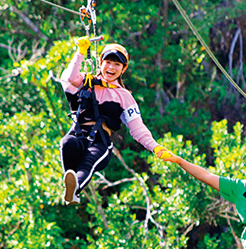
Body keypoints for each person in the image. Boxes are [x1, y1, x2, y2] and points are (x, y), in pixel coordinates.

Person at [58, 37, 174, 203]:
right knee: (67, 143)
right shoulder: (86, 81)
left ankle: (74, 188)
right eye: (108, 62)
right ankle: (70, 184)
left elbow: (138, 129)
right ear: (101, 63)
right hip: (78, 133)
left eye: (117, 64)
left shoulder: (124, 97)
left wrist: (155, 148)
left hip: (100, 142)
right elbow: (68, 78)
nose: (111, 67)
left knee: (89, 161)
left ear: (123, 69)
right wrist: (80, 52)